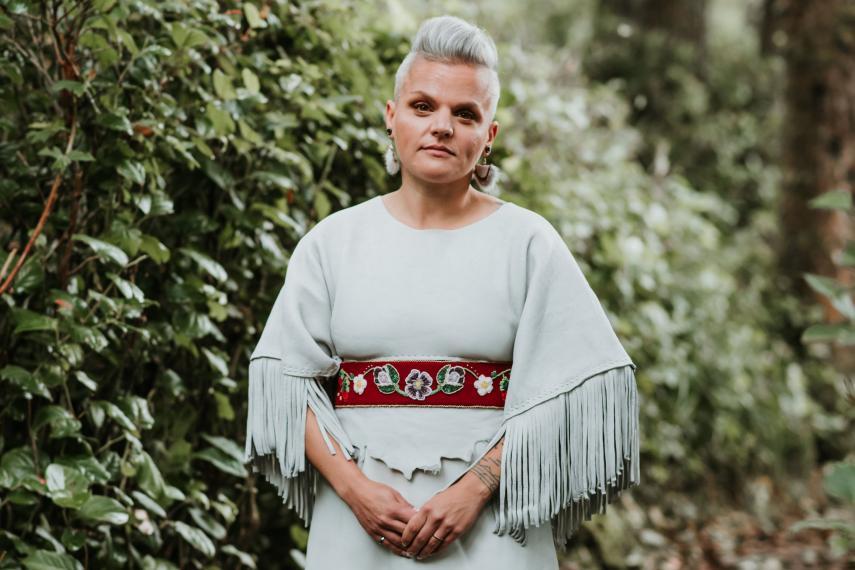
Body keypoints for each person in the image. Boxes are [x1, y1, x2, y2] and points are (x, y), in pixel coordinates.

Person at [243, 14, 640, 569]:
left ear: (489, 135)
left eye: (465, 113)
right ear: (392, 117)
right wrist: (357, 491)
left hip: (495, 528)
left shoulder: (529, 243)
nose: (442, 126)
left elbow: (571, 394)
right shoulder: (333, 242)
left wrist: (477, 487)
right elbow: (286, 384)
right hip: (358, 525)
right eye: (423, 106)